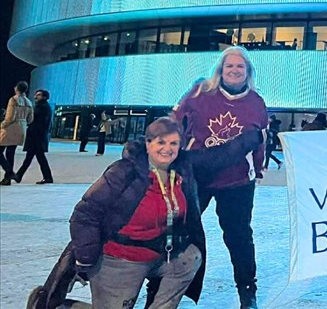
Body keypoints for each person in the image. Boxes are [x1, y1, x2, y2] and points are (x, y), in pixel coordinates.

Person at [68, 117, 262, 308]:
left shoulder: (181, 167)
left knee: (190, 257)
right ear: (148, 143)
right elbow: (85, 214)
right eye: (161, 142)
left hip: (161, 255)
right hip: (122, 259)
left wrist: (251, 138)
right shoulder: (125, 171)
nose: (167, 149)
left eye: (173, 143)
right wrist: (86, 259)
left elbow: (218, 156)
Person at [173, 46, 268, 308]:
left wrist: (256, 170)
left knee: (239, 236)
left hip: (237, 181)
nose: (235, 70)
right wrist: (171, 156)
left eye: (240, 66)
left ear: (248, 71)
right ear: (220, 69)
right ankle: (161, 286)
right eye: (230, 66)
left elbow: (260, 141)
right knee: (178, 230)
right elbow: (174, 122)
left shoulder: (256, 103)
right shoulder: (200, 93)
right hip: (197, 176)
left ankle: (247, 290)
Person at [16, 89, 54, 184]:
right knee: (33, 158)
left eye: (39, 95)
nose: (36, 97)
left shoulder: (41, 107)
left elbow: (32, 119)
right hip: (37, 138)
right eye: (36, 94)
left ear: (44, 97)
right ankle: (19, 175)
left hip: (36, 138)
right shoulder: (44, 107)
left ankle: (47, 178)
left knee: (37, 158)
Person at [1, 81, 34, 185]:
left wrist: (2, 125)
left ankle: (9, 172)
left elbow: (10, 117)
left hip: (11, 128)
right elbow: (30, 119)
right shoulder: (29, 102)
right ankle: (7, 179)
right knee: (10, 153)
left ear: (16, 88)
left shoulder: (14, 100)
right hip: (21, 129)